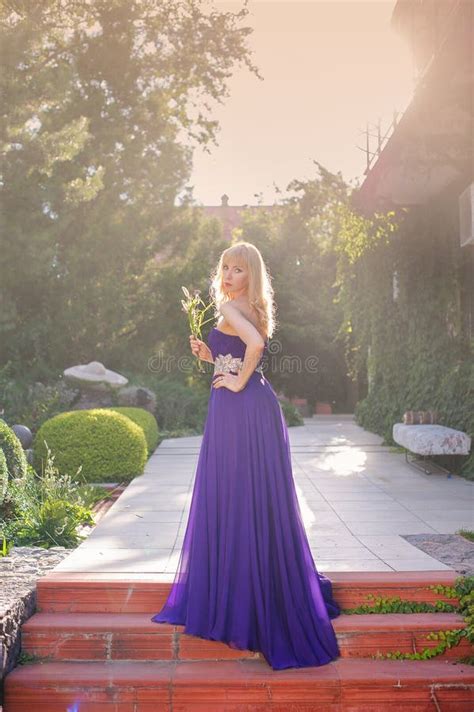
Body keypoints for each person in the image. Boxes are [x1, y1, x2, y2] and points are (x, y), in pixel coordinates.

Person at [151, 241, 341, 670]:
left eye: (238, 269)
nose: (229, 275)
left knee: (237, 495)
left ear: (251, 275)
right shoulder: (245, 306)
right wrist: (211, 356)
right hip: (252, 407)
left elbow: (253, 346)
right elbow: (237, 353)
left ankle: (240, 601)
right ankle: (254, 590)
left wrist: (234, 383)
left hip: (240, 408)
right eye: (225, 267)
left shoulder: (233, 307)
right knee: (249, 498)